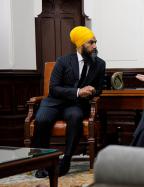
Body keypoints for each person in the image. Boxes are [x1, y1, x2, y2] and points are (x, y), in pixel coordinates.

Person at [33, 26, 106, 178]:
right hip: (54, 102)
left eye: (95, 42)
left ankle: (66, 161)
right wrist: (78, 91)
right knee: (41, 119)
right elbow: (53, 88)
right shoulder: (63, 61)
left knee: (75, 117)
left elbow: (99, 88)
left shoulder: (100, 64)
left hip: (75, 105)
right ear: (80, 45)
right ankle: (42, 162)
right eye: (90, 43)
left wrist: (93, 90)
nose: (95, 46)